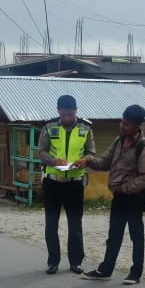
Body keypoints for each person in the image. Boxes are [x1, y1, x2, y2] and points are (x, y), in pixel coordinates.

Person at [75, 104, 145, 285]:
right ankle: (105, 270)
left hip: (134, 197)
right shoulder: (119, 141)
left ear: (136, 126)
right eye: (122, 121)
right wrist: (87, 160)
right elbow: (104, 163)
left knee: (136, 235)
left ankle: (135, 273)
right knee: (114, 234)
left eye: (126, 124)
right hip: (119, 197)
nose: (122, 126)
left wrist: (126, 188)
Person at [37, 95, 95, 274]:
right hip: (52, 183)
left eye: (70, 114)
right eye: (64, 115)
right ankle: (53, 261)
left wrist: (84, 160)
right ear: (58, 111)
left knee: (75, 224)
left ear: (76, 111)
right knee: (51, 223)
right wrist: (54, 161)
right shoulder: (49, 126)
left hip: (74, 183)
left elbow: (91, 152)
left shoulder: (86, 127)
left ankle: (76, 262)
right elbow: (41, 151)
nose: (67, 118)